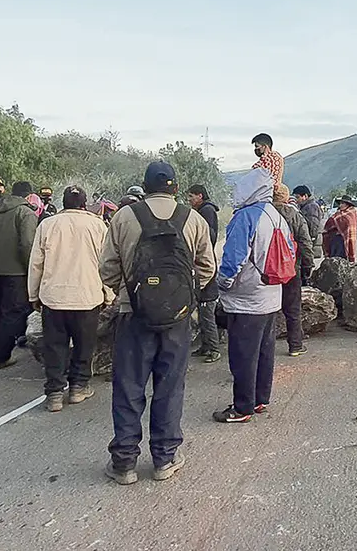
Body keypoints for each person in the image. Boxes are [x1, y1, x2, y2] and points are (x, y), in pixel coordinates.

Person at [100, 161, 215, 485]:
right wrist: (184, 296)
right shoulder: (191, 218)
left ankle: (124, 463)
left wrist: (128, 292)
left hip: (132, 315)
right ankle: (165, 458)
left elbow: (107, 267)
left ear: (145, 186)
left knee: (128, 387)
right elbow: (206, 267)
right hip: (177, 320)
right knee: (169, 387)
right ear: (176, 188)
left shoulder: (124, 216)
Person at [213, 169, 294, 423]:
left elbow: (232, 261)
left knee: (243, 356)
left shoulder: (246, 217)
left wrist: (222, 286)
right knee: (264, 352)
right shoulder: (277, 216)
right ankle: (260, 400)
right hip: (271, 297)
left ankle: (242, 408)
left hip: (245, 301)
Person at [28, 185, 110, 412]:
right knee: (85, 345)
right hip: (87, 297)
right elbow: (106, 263)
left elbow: (36, 264)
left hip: (54, 298)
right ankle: (78, 388)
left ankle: (54, 393)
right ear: (85, 204)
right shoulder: (97, 226)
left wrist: (34, 295)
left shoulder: (47, 224)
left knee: (54, 346)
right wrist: (109, 293)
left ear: (62, 203)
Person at [0, 181, 38, 371]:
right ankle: (1, 357)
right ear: (29, 195)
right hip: (15, 272)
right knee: (12, 313)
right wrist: (31, 269)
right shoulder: (26, 213)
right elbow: (27, 244)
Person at [273, 183, 315, 356]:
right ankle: (295, 345)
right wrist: (308, 265)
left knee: (267, 310)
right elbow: (305, 242)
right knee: (292, 308)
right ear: (286, 196)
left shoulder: (261, 213)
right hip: (290, 268)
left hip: (265, 271)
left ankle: (264, 346)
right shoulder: (294, 215)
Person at [186, 184, 222, 363]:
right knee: (202, 312)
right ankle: (206, 346)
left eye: (191, 196)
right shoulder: (204, 210)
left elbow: (209, 237)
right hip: (204, 268)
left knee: (207, 313)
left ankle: (214, 349)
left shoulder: (206, 211)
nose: (189, 200)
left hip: (206, 274)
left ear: (200, 196)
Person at [323, 196, 357, 262]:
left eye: (342, 203)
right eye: (340, 203)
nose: (340, 205)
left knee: (341, 260)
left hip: (343, 241)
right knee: (333, 260)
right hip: (335, 240)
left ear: (347, 204)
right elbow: (329, 224)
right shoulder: (338, 213)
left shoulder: (351, 213)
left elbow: (335, 221)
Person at [293, 185, 324, 260]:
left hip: (310, 243)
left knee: (306, 266)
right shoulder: (305, 206)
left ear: (305, 196)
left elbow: (313, 227)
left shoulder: (311, 207)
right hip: (309, 243)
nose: (296, 200)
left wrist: (309, 243)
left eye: (298, 197)